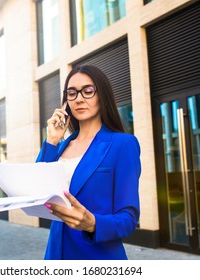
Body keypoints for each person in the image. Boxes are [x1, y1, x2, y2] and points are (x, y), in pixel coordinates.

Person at [36, 65, 141, 260]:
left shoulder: (123, 145)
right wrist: (51, 141)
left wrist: (92, 223)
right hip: (55, 255)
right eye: (72, 93)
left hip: (97, 257)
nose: (79, 98)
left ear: (102, 95)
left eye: (88, 91)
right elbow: (35, 188)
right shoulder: (61, 146)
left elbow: (129, 219)